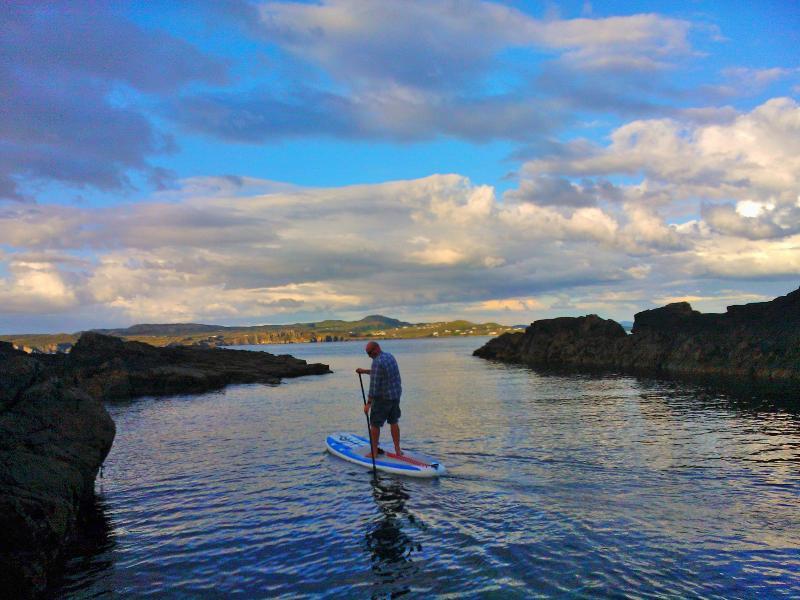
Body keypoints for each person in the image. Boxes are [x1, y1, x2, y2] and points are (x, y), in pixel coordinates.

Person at [356, 341, 402, 459]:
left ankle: (374, 452)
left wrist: (368, 404)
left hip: (383, 399)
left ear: (376, 349)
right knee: (394, 422)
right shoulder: (390, 356)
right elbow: (380, 374)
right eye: (367, 353)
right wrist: (364, 371)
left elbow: (374, 386)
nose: (369, 356)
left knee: (374, 425)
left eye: (370, 353)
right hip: (395, 396)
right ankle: (398, 450)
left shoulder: (377, 362)